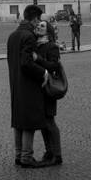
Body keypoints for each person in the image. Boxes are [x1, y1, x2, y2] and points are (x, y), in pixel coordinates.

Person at [7, 4, 50, 168]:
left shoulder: (12, 35)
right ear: (33, 19)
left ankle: (18, 155)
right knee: (29, 121)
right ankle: (26, 156)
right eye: (38, 19)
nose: (38, 22)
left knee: (18, 120)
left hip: (15, 82)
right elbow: (26, 63)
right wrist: (43, 73)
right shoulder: (29, 36)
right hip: (28, 84)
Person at [33, 20, 63, 166]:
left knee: (50, 122)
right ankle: (49, 152)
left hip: (49, 88)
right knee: (43, 122)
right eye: (38, 25)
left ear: (48, 32)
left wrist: (38, 59)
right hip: (38, 88)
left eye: (42, 26)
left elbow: (54, 66)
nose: (38, 26)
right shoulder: (36, 46)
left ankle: (57, 155)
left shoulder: (52, 47)